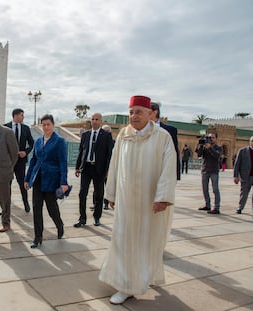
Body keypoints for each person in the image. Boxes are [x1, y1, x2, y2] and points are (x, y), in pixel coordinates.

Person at [99, 95, 176, 304]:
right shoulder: (124, 135)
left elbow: (169, 168)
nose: (134, 116)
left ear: (150, 113)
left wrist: (163, 197)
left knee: (146, 242)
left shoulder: (162, 137)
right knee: (123, 240)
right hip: (125, 201)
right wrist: (112, 193)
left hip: (149, 203)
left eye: (139, 111)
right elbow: (114, 165)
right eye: (131, 112)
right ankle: (125, 285)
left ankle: (142, 277)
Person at [24, 114, 69, 248]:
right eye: (43, 124)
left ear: (53, 125)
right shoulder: (38, 141)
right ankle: (38, 237)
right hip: (37, 179)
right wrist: (27, 178)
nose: (46, 127)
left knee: (52, 209)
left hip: (51, 180)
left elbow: (63, 162)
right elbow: (33, 161)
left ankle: (59, 225)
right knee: (36, 209)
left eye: (48, 124)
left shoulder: (59, 141)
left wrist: (64, 182)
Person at [74, 113, 113, 227]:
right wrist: (77, 167)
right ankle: (82, 218)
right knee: (82, 193)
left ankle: (97, 217)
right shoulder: (86, 135)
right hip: (86, 168)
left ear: (101, 121)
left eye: (97, 119)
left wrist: (107, 170)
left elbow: (109, 154)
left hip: (99, 169)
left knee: (99, 194)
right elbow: (81, 151)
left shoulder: (106, 136)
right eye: (92, 119)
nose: (94, 121)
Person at [4, 108, 34, 212]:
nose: (23, 117)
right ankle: (5, 207)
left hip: (21, 161)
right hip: (8, 161)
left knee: (22, 183)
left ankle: (26, 203)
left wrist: (26, 152)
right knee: (7, 184)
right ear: (16, 116)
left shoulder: (26, 128)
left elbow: (31, 143)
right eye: (22, 115)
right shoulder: (5, 127)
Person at [150, 102, 180, 180]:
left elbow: (174, 152)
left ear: (154, 112)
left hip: (163, 172)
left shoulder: (170, 130)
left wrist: (176, 175)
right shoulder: (140, 130)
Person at [196, 132, 223, 214]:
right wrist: (200, 145)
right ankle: (207, 205)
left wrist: (210, 148)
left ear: (216, 138)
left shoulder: (219, 147)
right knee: (205, 189)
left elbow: (217, 156)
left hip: (214, 171)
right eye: (209, 137)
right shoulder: (204, 147)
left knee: (215, 189)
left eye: (213, 137)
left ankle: (216, 207)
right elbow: (199, 155)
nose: (211, 139)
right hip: (205, 170)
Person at [233, 136, 253, 214]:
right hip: (245, 176)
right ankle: (240, 207)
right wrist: (236, 176)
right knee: (244, 193)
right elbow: (237, 164)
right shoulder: (243, 151)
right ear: (249, 141)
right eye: (252, 141)